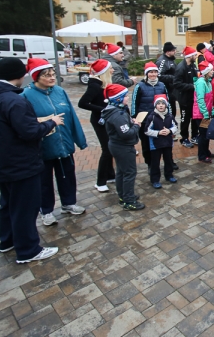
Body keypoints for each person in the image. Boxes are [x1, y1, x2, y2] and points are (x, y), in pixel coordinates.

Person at [0, 57, 61, 263]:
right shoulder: (14, 100)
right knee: (25, 207)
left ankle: (7, 241)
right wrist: (50, 123)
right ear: (21, 75)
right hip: (20, 163)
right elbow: (29, 132)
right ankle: (28, 250)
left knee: (7, 203)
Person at [22, 58, 88, 226]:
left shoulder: (59, 91)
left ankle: (69, 203)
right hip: (42, 147)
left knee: (67, 175)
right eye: (47, 75)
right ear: (36, 77)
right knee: (44, 181)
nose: (52, 78)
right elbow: (24, 122)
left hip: (64, 144)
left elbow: (71, 115)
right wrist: (45, 120)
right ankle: (46, 210)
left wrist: (79, 140)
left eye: (53, 74)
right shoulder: (25, 96)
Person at [102, 84, 145, 210]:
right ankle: (129, 201)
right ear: (118, 99)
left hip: (117, 145)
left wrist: (130, 122)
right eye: (125, 96)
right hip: (123, 147)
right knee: (129, 173)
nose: (127, 98)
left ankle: (124, 195)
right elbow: (126, 133)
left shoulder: (117, 111)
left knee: (121, 172)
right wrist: (136, 125)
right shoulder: (117, 115)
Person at [78, 59, 116, 192]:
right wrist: (102, 109)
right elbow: (82, 103)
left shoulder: (104, 84)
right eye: (110, 68)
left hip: (107, 120)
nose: (113, 70)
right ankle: (100, 182)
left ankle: (110, 175)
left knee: (110, 147)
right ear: (104, 71)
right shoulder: (95, 85)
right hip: (99, 121)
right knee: (106, 150)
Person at [132, 62, 171, 170]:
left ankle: (168, 162)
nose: (153, 74)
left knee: (163, 141)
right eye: (150, 72)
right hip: (145, 120)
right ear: (146, 74)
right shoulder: (139, 86)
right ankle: (150, 164)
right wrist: (135, 118)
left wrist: (169, 116)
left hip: (160, 119)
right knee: (146, 144)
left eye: (155, 72)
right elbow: (134, 103)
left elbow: (168, 101)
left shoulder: (162, 85)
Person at [142, 94, 178, 188]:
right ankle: (155, 179)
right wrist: (158, 133)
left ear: (166, 105)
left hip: (167, 143)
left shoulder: (170, 116)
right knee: (155, 163)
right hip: (155, 144)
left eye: (163, 103)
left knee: (168, 160)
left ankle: (169, 175)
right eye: (158, 104)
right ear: (155, 105)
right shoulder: (151, 117)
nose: (161, 105)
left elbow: (175, 126)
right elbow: (146, 131)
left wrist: (169, 131)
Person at [174, 46, 199, 147]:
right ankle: (184, 138)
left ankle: (194, 136)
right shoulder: (181, 67)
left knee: (194, 117)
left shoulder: (192, 65)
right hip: (184, 98)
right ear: (189, 56)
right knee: (185, 119)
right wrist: (192, 86)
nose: (196, 56)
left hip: (192, 97)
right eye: (194, 55)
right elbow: (176, 84)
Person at [193, 61, 214, 163]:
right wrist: (205, 113)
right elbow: (200, 99)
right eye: (211, 70)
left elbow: (209, 98)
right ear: (206, 71)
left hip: (206, 113)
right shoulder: (201, 82)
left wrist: (212, 109)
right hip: (201, 114)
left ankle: (206, 152)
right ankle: (202, 155)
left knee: (207, 133)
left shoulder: (207, 81)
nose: (213, 71)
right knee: (203, 135)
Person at [156, 42, 178, 116]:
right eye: (173, 50)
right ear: (168, 52)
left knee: (173, 111)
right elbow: (159, 76)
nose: (175, 51)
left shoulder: (170, 60)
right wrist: (173, 78)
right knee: (169, 111)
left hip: (172, 90)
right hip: (166, 90)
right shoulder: (162, 61)